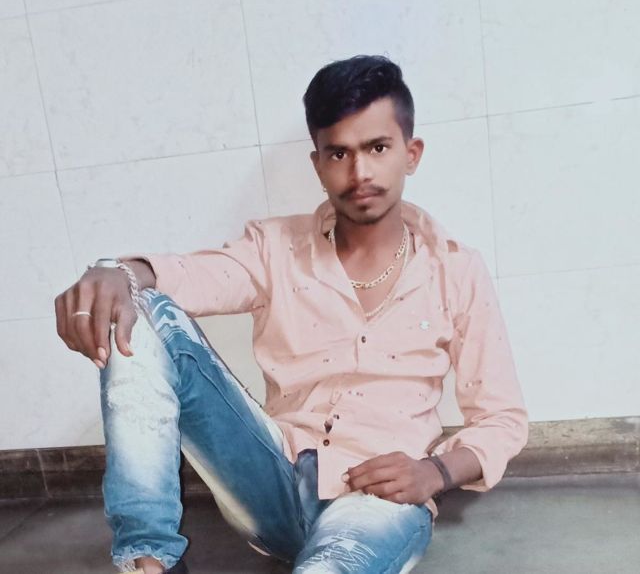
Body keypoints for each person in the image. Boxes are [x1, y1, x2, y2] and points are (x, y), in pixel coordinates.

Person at [55, 55, 528, 574]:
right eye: (339, 153)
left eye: (377, 148)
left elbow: (502, 419)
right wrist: (118, 271)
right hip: (272, 480)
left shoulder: (456, 269)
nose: (360, 172)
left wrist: (435, 471)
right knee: (138, 303)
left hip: (377, 503)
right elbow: (191, 276)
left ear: (410, 154)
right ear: (318, 164)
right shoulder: (274, 247)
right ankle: (150, 562)